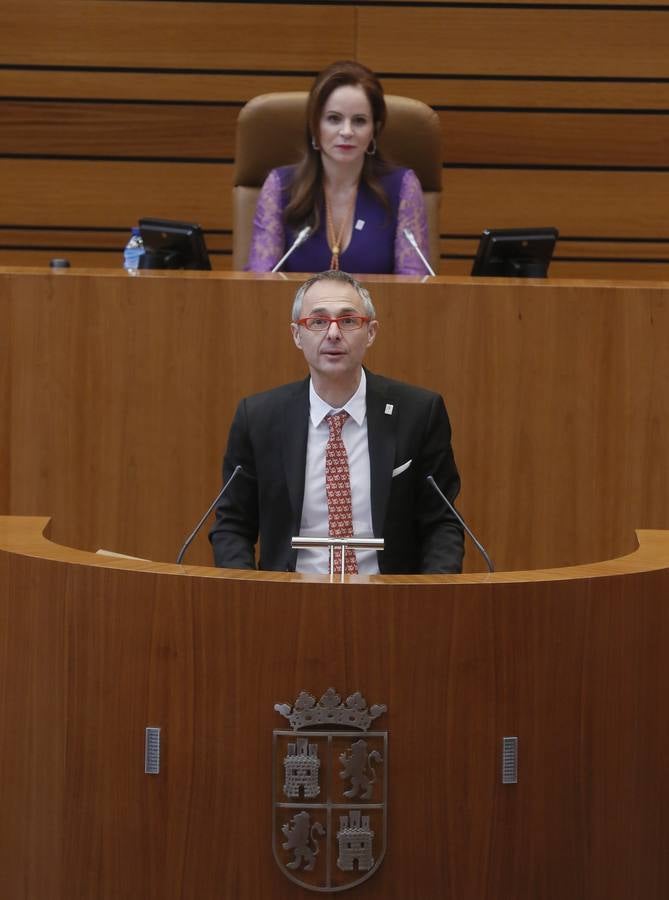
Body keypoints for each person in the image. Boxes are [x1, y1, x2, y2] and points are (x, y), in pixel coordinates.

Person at [209, 270, 464, 575]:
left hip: (391, 604)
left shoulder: (418, 413)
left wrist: (431, 599)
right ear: (296, 335)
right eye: (317, 321)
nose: (332, 334)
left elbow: (442, 523)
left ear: (370, 332)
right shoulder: (259, 417)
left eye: (348, 321)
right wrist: (250, 598)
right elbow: (232, 525)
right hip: (288, 604)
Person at [246, 60, 430, 276]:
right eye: (334, 119)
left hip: (378, 310)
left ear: (374, 130)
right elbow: (260, 283)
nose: (346, 131)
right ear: (315, 125)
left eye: (359, 121)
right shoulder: (281, 186)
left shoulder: (402, 188)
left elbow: (414, 288)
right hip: (295, 310)